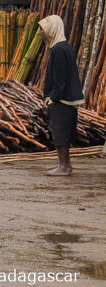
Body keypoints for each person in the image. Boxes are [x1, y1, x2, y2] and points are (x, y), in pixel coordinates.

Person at [39, 15, 84, 176]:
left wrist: (53, 98)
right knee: (64, 132)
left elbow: (60, 79)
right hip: (66, 98)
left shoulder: (59, 49)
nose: (43, 34)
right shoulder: (63, 47)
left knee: (60, 133)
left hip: (62, 100)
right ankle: (65, 164)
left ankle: (63, 167)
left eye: (45, 30)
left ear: (54, 29)